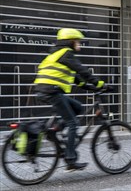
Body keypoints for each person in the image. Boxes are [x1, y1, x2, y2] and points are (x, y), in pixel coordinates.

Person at [34, 28, 106, 172]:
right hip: (51, 91)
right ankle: (70, 160)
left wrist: (91, 88)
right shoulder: (66, 54)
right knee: (73, 123)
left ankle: (55, 131)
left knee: (78, 108)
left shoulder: (57, 55)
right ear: (70, 41)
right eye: (77, 41)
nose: (79, 44)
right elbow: (82, 70)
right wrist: (100, 84)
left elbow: (77, 79)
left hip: (48, 91)